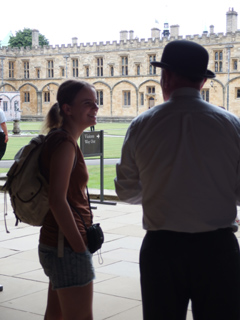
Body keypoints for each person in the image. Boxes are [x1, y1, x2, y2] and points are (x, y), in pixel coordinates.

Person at [115, 40, 240, 320]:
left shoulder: (141, 125)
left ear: (166, 76)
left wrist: (161, 192)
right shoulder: (232, 125)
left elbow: (126, 192)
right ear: (203, 81)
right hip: (217, 249)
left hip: (162, 249)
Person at [39, 80, 99, 320]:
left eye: (96, 103)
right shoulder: (64, 144)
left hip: (57, 244)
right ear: (67, 108)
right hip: (66, 246)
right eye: (87, 103)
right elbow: (57, 200)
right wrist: (79, 246)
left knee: (55, 315)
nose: (95, 108)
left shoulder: (62, 138)